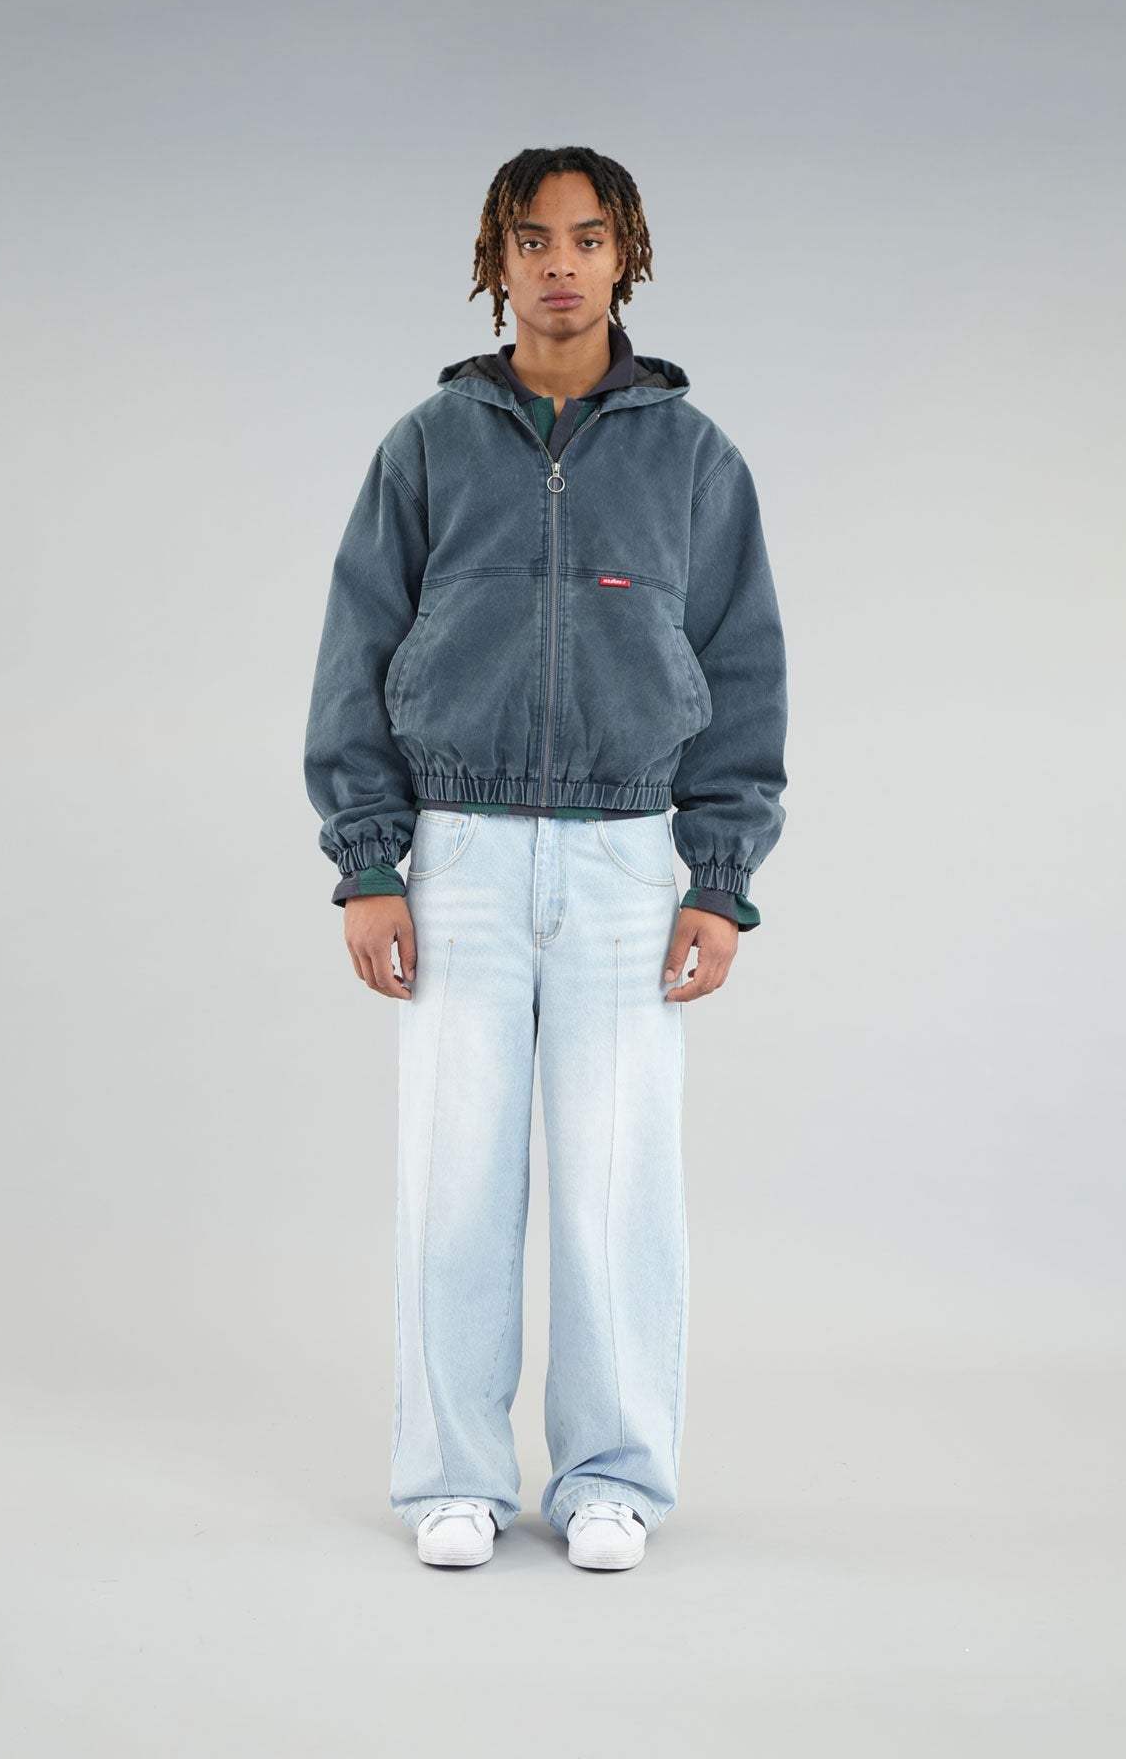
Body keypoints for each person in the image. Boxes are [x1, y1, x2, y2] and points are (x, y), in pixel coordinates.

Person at [304, 145, 789, 1571]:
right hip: (454, 855)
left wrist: (718, 879)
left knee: (620, 1185)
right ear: (496, 261)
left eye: (586, 237)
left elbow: (743, 673)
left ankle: (611, 1476)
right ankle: (452, 1475)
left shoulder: (694, 458)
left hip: (628, 859)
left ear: (624, 256)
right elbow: (356, 651)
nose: (560, 263)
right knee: (454, 1178)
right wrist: (371, 862)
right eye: (533, 239)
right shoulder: (427, 446)